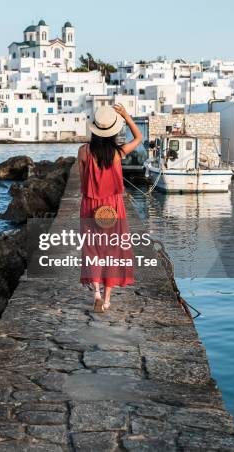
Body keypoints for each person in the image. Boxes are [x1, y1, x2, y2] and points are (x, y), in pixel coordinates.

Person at [78, 103, 142, 312]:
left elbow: (82, 180)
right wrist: (126, 115)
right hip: (113, 205)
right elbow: (139, 138)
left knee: (92, 249)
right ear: (112, 130)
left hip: (90, 203)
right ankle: (106, 300)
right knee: (112, 251)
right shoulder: (117, 153)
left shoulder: (84, 151)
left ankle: (95, 291)